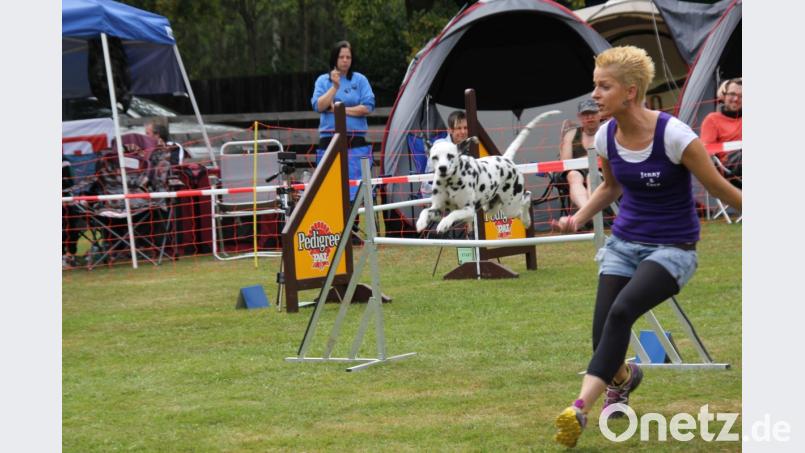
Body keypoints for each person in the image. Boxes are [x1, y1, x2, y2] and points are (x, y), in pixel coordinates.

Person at [551, 46, 742, 448]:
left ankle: (579, 408)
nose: (595, 96)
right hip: (624, 243)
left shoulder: (674, 135)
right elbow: (610, 187)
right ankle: (623, 379)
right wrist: (578, 218)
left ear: (631, 91)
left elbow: (716, 186)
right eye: (595, 86)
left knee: (621, 312)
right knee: (602, 332)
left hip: (673, 248)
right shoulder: (604, 136)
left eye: (604, 87)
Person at [311, 40, 375, 202]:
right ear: (335, 59)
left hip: (356, 142)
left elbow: (367, 106)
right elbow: (319, 105)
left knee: (357, 192)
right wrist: (334, 87)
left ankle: (354, 225)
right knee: (330, 189)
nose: (345, 60)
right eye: (341, 57)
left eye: (348, 57)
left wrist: (338, 110)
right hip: (329, 140)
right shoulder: (323, 81)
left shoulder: (360, 80)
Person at [558, 99, 602, 210]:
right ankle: (588, 211)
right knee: (573, 175)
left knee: (592, 176)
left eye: (593, 113)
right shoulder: (571, 134)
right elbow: (565, 162)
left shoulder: (607, 131)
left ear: (600, 114)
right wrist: (589, 160)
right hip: (576, 170)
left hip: (603, 169)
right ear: (579, 116)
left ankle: (588, 213)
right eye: (585, 114)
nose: (590, 117)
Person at [701, 77, 742, 183]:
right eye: (732, 94)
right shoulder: (712, 119)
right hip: (730, 167)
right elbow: (707, 153)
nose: (736, 99)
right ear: (723, 96)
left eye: (741, 96)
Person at [420, 110, 468, 197]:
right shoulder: (440, 146)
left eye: (465, 128)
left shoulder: (470, 145)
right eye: (459, 128)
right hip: (436, 196)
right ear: (450, 130)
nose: (463, 132)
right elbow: (431, 178)